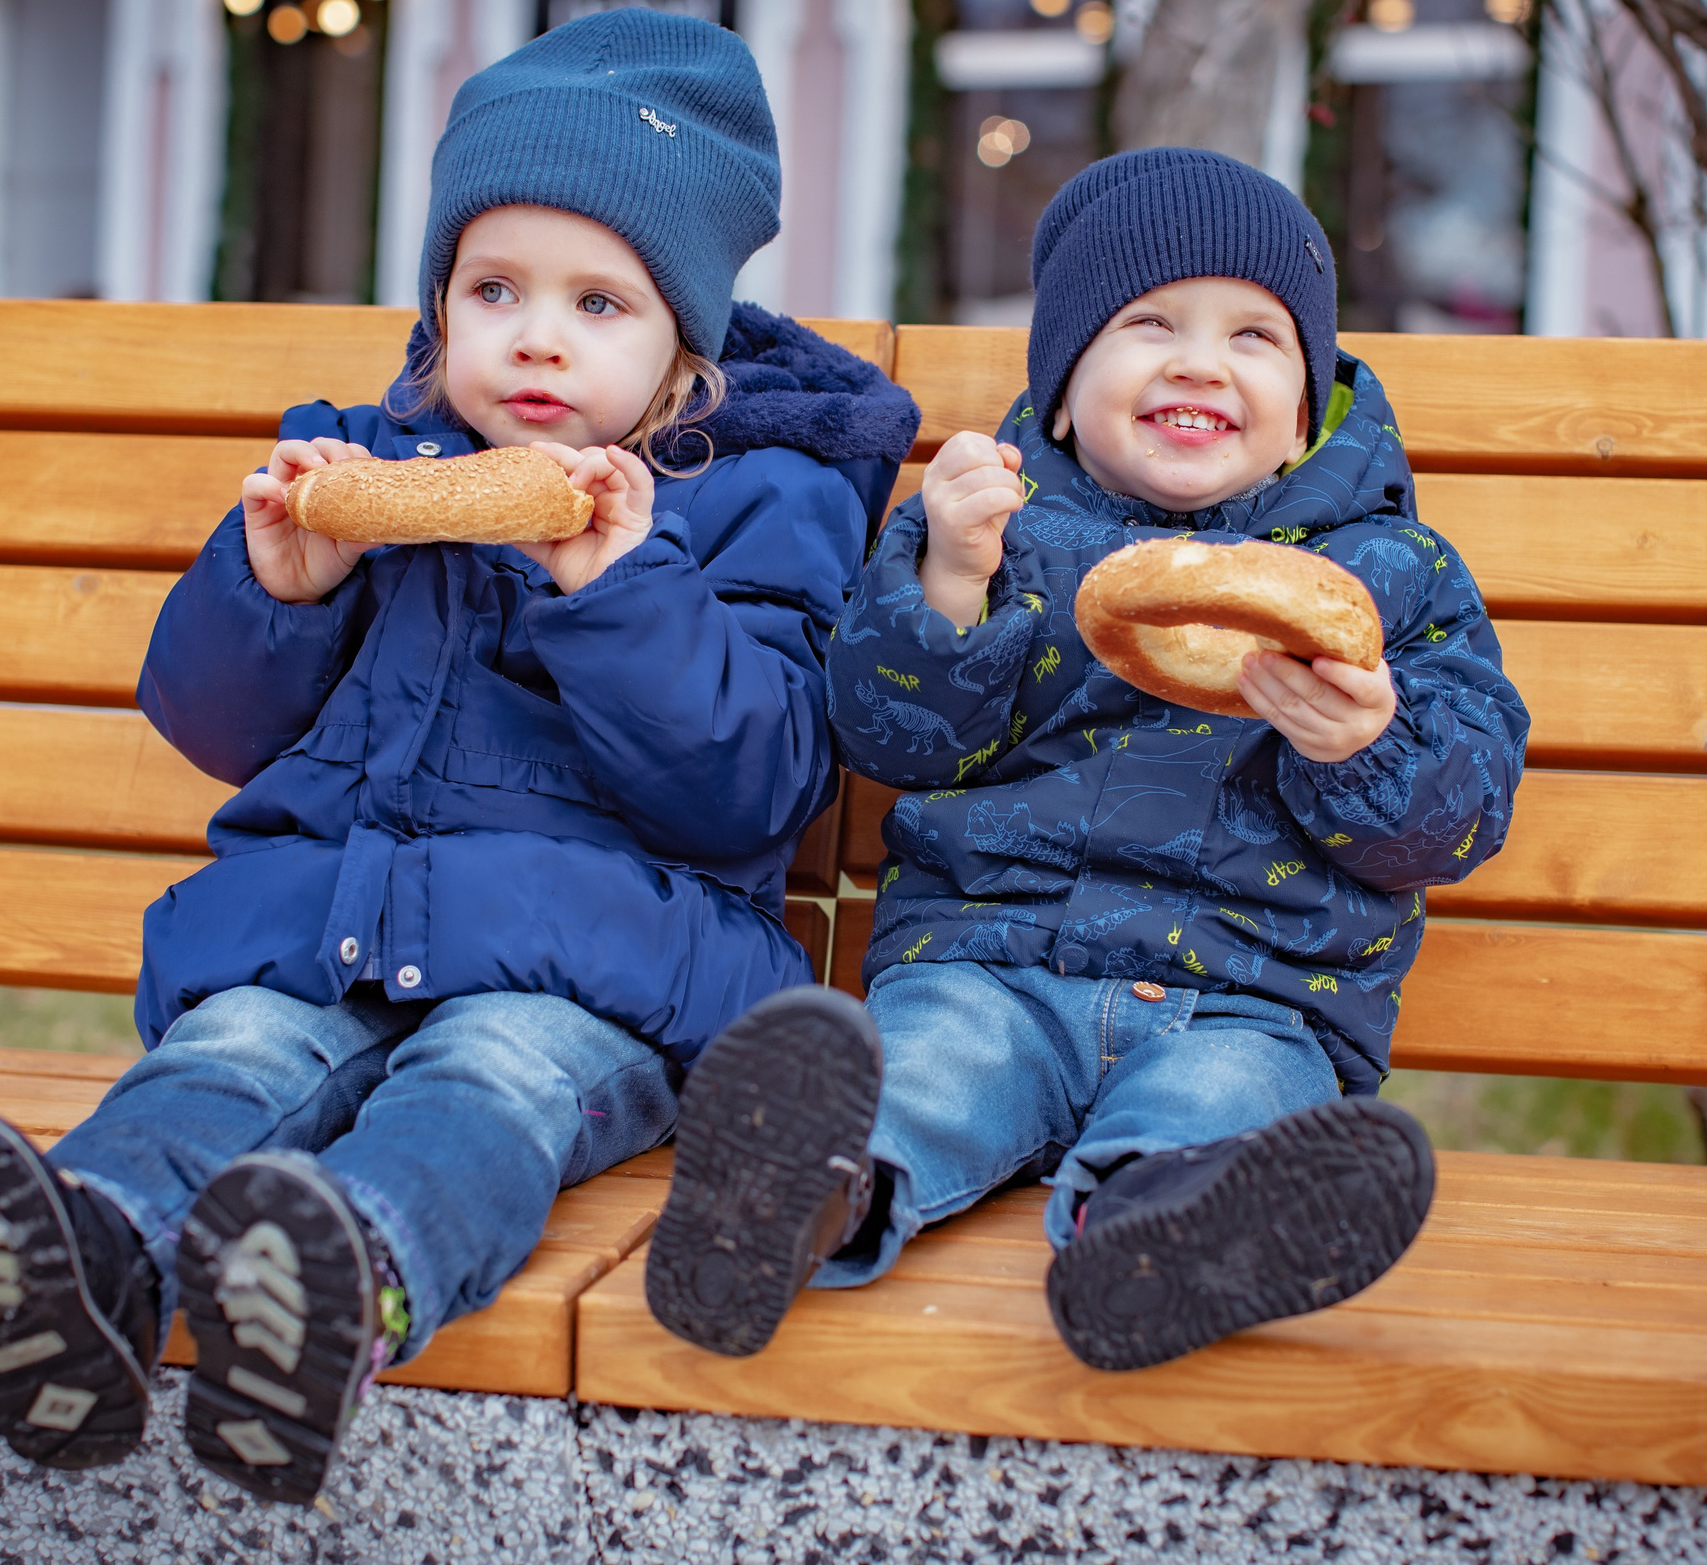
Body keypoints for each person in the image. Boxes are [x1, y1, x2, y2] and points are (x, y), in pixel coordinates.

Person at [0, 11, 916, 1501]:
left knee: (488, 1084)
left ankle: (340, 1281)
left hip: (591, 974)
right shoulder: (360, 458)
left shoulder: (756, 499)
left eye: (598, 302)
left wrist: (612, 589)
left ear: (687, 337)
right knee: (224, 1059)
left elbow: (750, 782)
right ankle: (71, 1270)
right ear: (440, 305)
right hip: (318, 936)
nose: (537, 335)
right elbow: (215, 727)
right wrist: (278, 588)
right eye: (496, 287)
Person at [644, 147, 1528, 1372]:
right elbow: (886, 741)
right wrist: (949, 587)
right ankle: (793, 1201)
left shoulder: (1392, 578)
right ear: (1061, 392)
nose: (1199, 361)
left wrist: (1364, 745)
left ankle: (1162, 1247)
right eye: (1147, 322)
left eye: (1255, 337)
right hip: (989, 960)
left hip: (1254, 1000)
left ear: (1306, 403)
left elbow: (1458, 821)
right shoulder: (991, 531)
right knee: (926, 1071)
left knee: (1216, 1117)